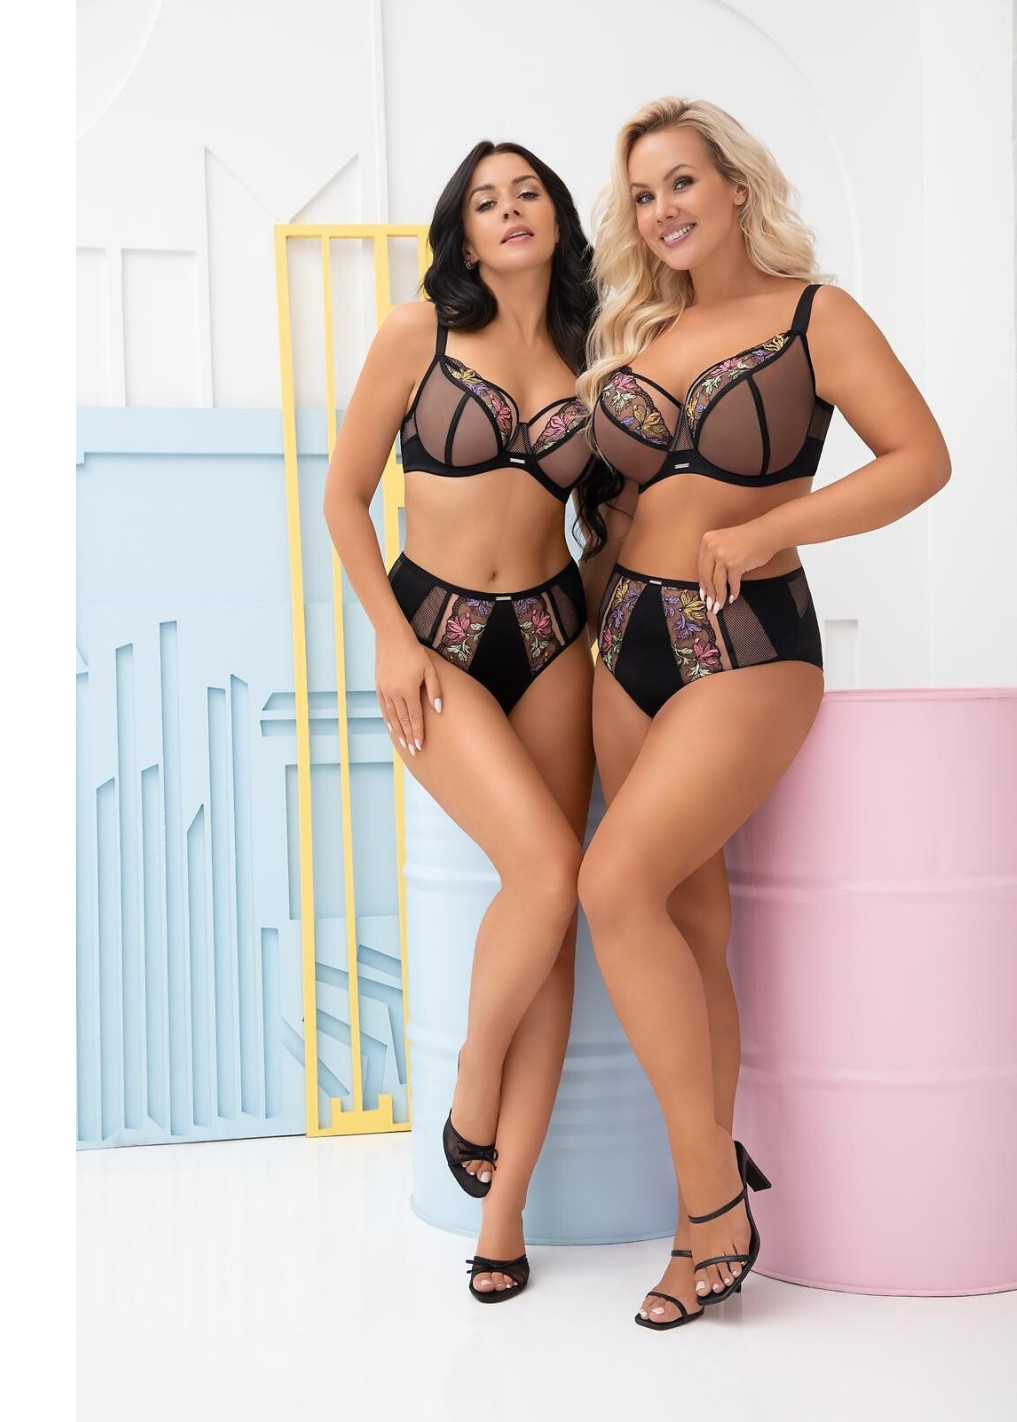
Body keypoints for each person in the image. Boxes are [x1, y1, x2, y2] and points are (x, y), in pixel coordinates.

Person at [573, 97, 951, 1331]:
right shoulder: (639, 333)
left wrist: (774, 525)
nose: (661, 211)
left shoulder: (813, 316)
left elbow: (918, 458)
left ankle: (710, 1205)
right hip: (621, 642)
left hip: (741, 641)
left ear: (735, 186)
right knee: (686, 921)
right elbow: (606, 510)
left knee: (610, 885)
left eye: (681, 182)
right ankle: (704, 1224)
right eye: (641, 196)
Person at [324, 140, 598, 1302]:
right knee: (544, 867)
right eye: (485, 200)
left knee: (557, 918)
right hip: (434, 633)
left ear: (555, 216)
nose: (508, 209)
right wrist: (391, 638)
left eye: (526, 192)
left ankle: (503, 1212)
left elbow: (616, 513)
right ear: (465, 232)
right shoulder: (417, 334)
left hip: (554, 635)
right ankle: (471, 1086)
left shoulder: (596, 352)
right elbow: (342, 494)